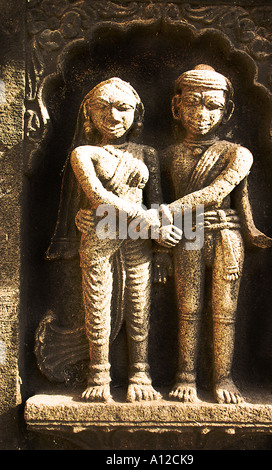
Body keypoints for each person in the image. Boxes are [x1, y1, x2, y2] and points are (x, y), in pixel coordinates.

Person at [47, 77, 182, 402]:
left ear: (137, 113)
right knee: (97, 304)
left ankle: (140, 372)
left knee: (140, 306)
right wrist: (149, 223)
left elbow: (158, 204)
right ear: (88, 114)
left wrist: (162, 249)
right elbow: (97, 196)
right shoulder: (84, 153)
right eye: (102, 107)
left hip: (138, 238)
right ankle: (99, 373)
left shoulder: (147, 153)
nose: (113, 116)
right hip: (100, 234)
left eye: (123, 108)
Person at [161, 65, 272, 404]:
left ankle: (224, 377)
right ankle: (186, 376)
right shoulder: (167, 156)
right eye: (193, 103)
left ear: (228, 111)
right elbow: (152, 198)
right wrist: (158, 234)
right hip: (188, 234)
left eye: (212, 106)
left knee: (225, 310)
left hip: (226, 233)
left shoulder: (238, 154)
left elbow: (218, 190)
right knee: (188, 308)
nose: (201, 113)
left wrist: (163, 214)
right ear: (176, 106)